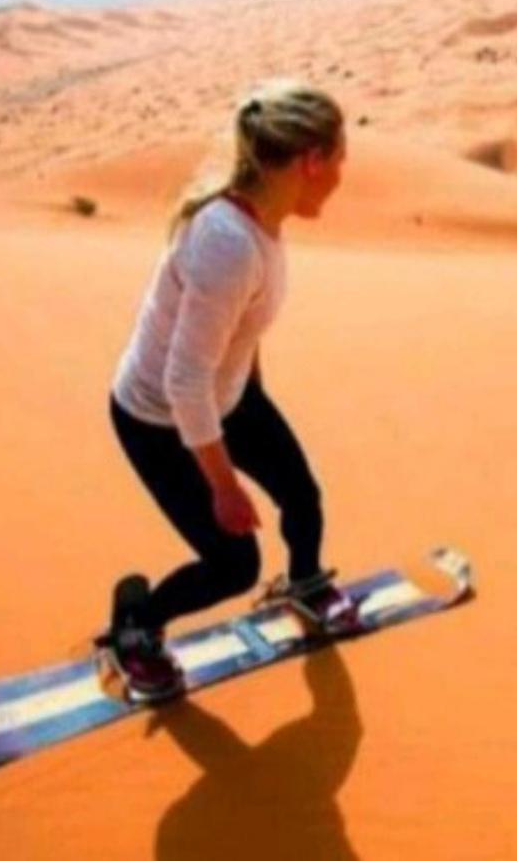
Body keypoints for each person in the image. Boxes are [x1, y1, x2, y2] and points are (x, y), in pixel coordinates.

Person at [103, 78, 351, 699]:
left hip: (228, 396)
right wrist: (224, 486)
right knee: (234, 565)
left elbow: (243, 324)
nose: (343, 175)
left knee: (301, 493)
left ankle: (305, 582)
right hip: (159, 417)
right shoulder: (227, 244)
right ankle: (137, 624)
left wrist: (255, 401)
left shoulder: (264, 218)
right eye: (340, 160)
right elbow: (182, 380)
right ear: (310, 162)